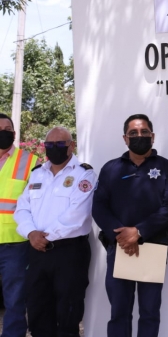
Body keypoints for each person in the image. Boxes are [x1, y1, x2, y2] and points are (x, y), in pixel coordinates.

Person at [92, 114, 168, 337]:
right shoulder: (110, 168)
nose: (138, 136)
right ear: (125, 138)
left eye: (144, 132)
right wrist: (122, 237)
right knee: (119, 312)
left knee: (150, 312)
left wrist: (138, 232)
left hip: (153, 247)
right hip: (119, 247)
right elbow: (99, 207)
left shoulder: (167, 168)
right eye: (133, 133)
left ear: (153, 136)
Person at [14, 126, 96, 337]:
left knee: (68, 313)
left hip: (69, 252)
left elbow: (78, 214)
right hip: (37, 251)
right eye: (50, 144)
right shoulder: (37, 173)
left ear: (71, 145)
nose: (54, 148)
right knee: (38, 311)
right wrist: (31, 233)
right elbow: (22, 208)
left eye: (60, 144)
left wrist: (44, 236)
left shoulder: (84, 174)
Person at [0, 113, 40, 337]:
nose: (4, 132)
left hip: (15, 244)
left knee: (15, 301)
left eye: (8, 129)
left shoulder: (30, 161)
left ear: (15, 134)